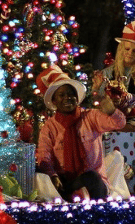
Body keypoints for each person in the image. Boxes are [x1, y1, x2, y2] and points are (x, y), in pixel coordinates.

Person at [36, 65, 126, 201]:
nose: (68, 98)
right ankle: (73, 197)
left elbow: (118, 123)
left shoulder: (90, 117)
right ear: (54, 101)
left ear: (77, 98)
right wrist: (53, 176)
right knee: (40, 175)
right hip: (66, 184)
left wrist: (106, 104)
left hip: (92, 182)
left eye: (71, 94)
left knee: (92, 177)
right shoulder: (49, 127)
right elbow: (44, 157)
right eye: (62, 95)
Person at [91, 19, 135, 133]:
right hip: (113, 114)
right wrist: (96, 88)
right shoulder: (108, 72)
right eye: (127, 49)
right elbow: (97, 100)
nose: (130, 53)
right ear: (120, 50)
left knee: (126, 128)